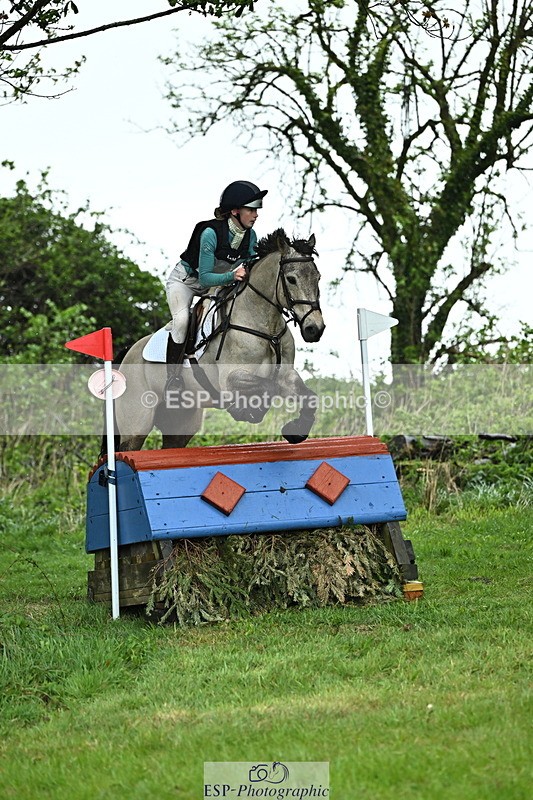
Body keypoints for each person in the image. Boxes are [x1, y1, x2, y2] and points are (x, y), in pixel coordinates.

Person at [165, 180, 267, 348]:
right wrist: (233, 275)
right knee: (182, 322)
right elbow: (205, 279)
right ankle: (173, 373)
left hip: (216, 286)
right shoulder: (210, 233)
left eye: (255, 210)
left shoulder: (250, 236)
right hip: (186, 282)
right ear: (235, 211)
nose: (256, 215)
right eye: (250, 210)